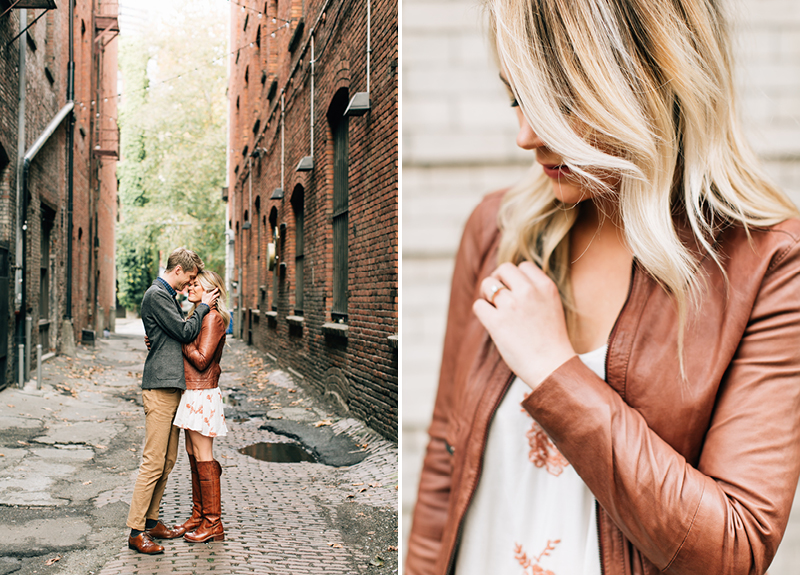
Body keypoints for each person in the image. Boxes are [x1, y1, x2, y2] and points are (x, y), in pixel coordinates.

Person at [406, 1, 800, 574]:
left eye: (559, 102)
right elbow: (446, 458)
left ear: (656, 78)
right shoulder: (496, 229)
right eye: (516, 97)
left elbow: (735, 550)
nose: (526, 134)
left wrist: (553, 371)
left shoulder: (766, 264)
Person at [127, 248, 219, 555]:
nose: (188, 284)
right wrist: (204, 307)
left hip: (172, 386)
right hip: (160, 387)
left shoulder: (165, 296)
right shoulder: (157, 294)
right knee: (153, 461)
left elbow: (169, 334)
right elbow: (182, 331)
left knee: (167, 461)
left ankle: (152, 522)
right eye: (189, 278)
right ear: (178, 270)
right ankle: (136, 530)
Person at [172, 270, 230, 543]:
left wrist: (178, 338)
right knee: (193, 453)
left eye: (196, 285)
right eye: (190, 283)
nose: (189, 288)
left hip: (202, 392)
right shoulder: (200, 317)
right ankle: (199, 516)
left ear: (211, 291)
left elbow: (202, 359)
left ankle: (212, 523)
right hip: (193, 391)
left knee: (203, 455)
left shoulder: (212, 318)